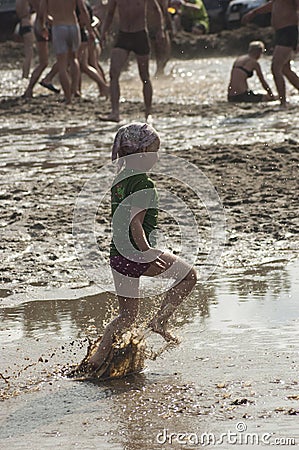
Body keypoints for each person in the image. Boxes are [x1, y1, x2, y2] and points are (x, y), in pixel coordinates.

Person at [87, 122, 197, 372]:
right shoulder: (144, 184)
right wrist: (147, 251)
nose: (157, 156)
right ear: (142, 152)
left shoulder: (121, 179)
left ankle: (95, 360)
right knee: (189, 275)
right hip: (137, 253)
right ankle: (160, 321)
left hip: (118, 255)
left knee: (126, 317)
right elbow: (136, 223)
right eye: (154, 150)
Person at [99, 0, 165, 122]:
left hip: (140, 35)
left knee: (144, 76)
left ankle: (148, 112)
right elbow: (110, 13)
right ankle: (115, 112)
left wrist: (160, 30)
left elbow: (156, 10)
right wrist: (103, 32)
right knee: (113, 73)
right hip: (124, 35)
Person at [242, 0, 299, 107]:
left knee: (276, 67)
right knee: (285, 69)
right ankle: (283, 102)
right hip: (281, 32)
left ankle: (283, 103)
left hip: (289, 31)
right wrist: (254, 13)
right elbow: (274, 4)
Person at [39, 0, 96, 104]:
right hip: (73, 25)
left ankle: (68, 97)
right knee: (74, 59)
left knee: (62, 64)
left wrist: (43, 26)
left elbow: (41, 11)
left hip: (59, 26)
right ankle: (75, 90)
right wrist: (90, 30)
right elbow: (83, 9)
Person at [147, 0, 172, 76]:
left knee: (165, 52)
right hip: (149, 25)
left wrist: (168, 24)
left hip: (159, 25)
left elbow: (164, 10)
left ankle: (159, 72)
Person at [16, 0, 34, 79]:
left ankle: (25, 73)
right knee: (29, 53)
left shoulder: (17, 2)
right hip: (27, 24)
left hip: (21, 24)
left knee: (27, 52)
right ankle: (26, 74)